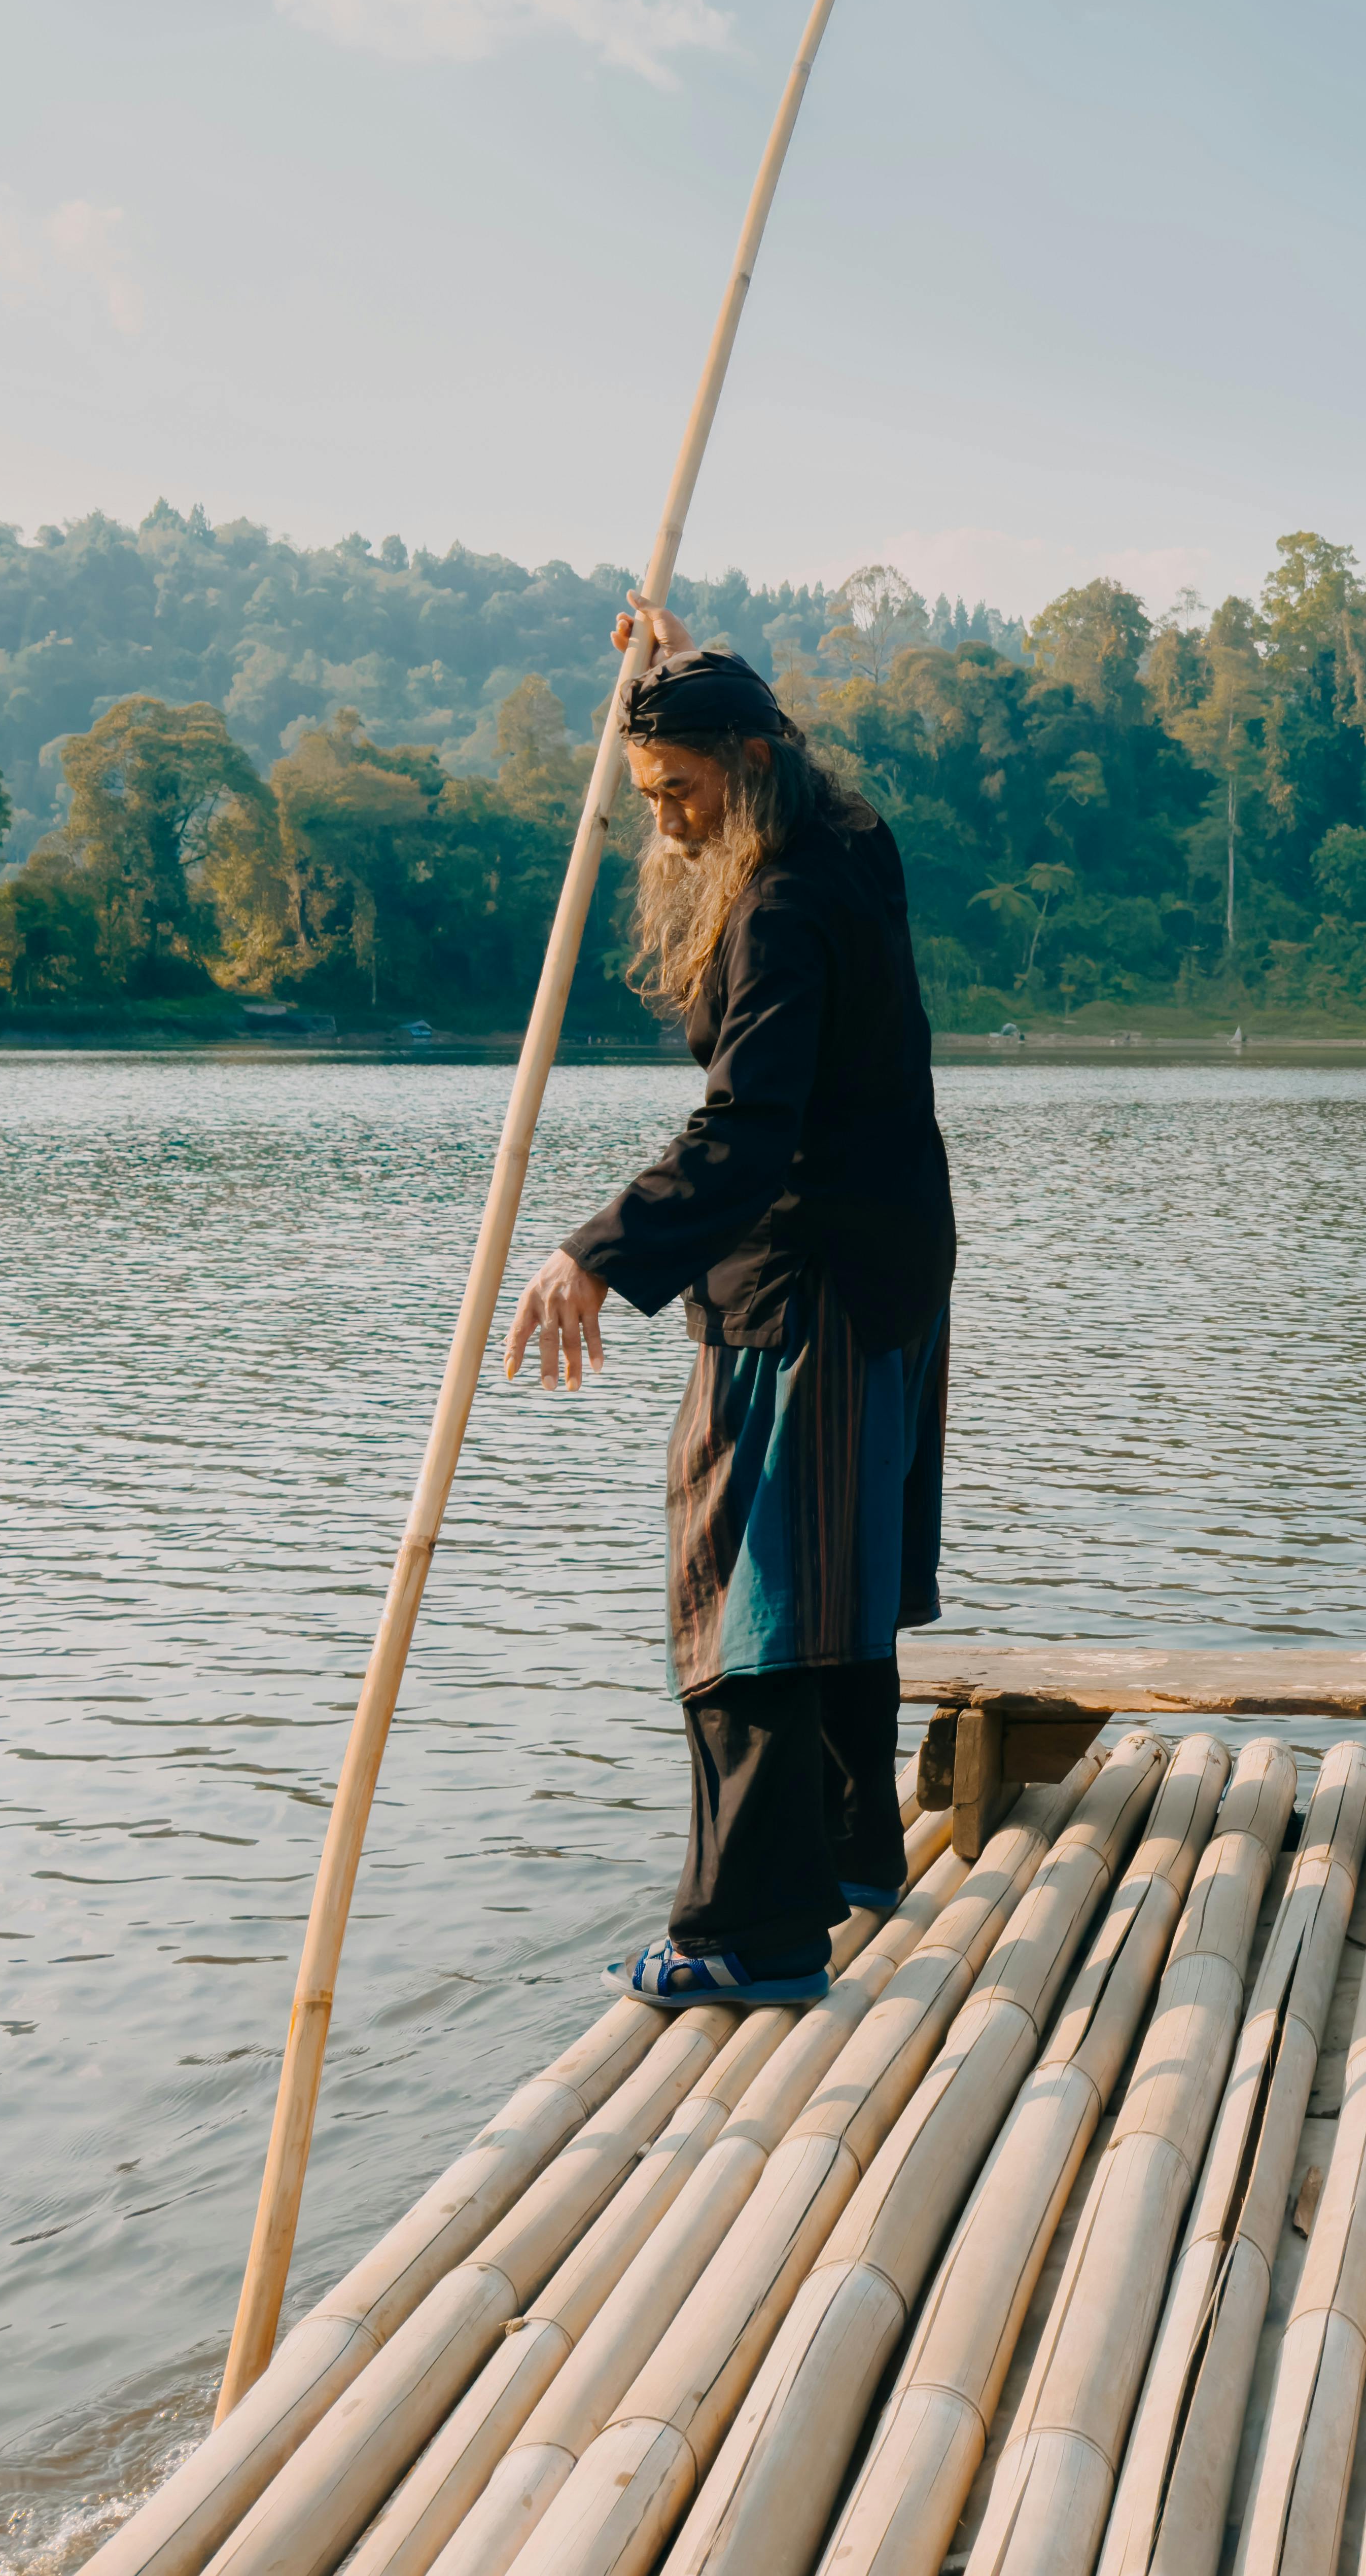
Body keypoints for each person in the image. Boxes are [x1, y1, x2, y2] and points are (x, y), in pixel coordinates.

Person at [504, 602, 957, 2006]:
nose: (671, 827)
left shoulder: (780, 904)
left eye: (684, 794)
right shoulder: (847, 846)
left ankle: (751, 1935)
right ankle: (850, 1854)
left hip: (806, 1279)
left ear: (753, 766)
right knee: (838, 1569)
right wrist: (666, 672)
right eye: (648, 801)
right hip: (884, 1263)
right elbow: (735, 736)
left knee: (748, 1590)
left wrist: (592, 1252)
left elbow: (745, 1131)